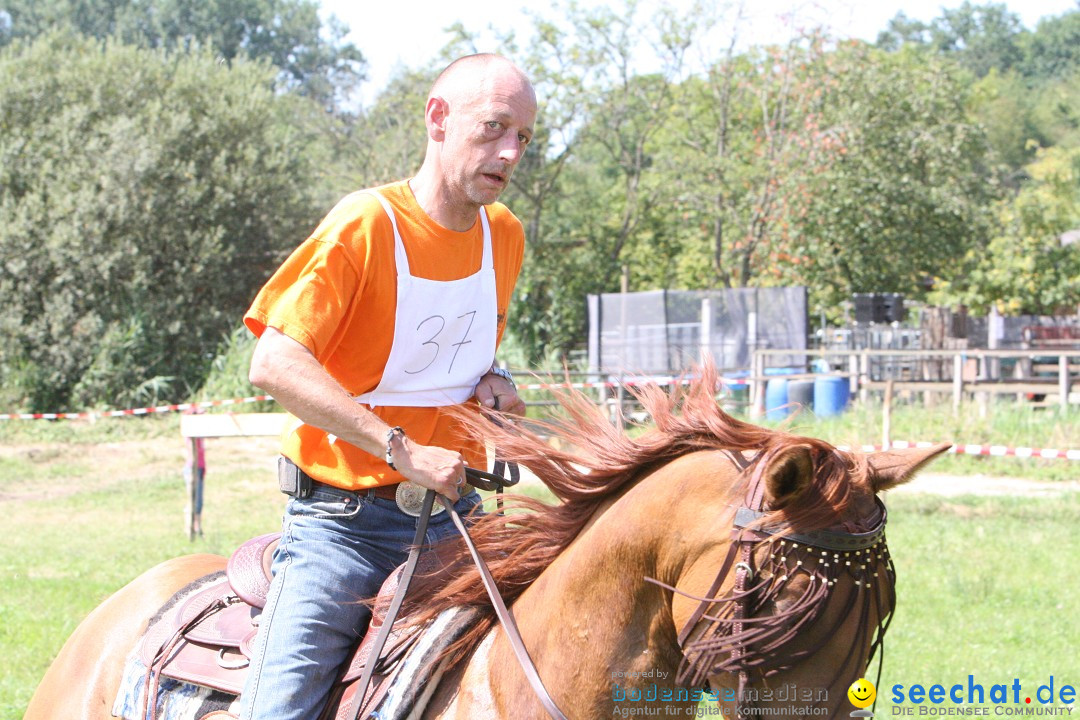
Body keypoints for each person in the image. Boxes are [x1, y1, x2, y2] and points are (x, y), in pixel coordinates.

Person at [238, 53, 536, 720]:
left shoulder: (504, 236)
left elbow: (464, 355)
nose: (511, 151)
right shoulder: (365, 223)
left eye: (524, 136)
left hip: (459, 524)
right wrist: (400, 449)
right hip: (338, 530)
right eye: (494, 128)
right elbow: (275, 363)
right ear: (437, 119)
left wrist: (499, 381)